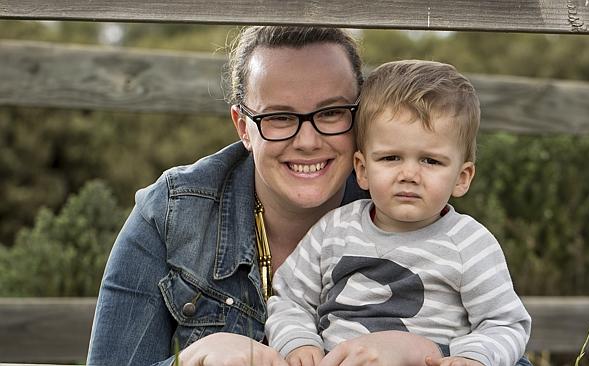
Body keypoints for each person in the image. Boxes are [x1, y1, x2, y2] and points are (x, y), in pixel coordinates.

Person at [86, 26, 447, 366]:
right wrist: (194, 358)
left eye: (333, 112)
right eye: (278, 117)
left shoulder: (412, 207)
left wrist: (425, 351)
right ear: (243, 126)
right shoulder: (169, 215)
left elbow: (495, 333)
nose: (307, 141)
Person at [265, 60, 532, 366]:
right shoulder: (334, 230)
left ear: (462, 177)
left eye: (430, 161)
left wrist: (474, 357)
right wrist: (299, 341)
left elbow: (505, 324)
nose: (409, 174)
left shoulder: (469, 244)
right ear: (362, 170)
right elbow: (290, 299)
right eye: (391, 158)